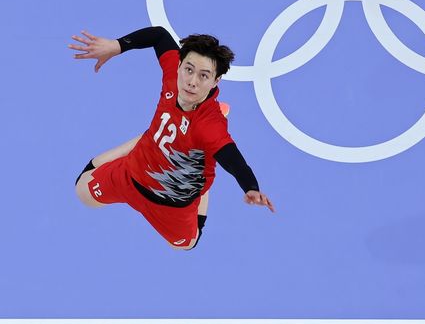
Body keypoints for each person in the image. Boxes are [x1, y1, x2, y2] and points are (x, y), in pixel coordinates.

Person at [69, 26, 275, 250]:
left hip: (172, 206)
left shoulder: (209, 127)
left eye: (204, 76)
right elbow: (159, 35)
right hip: (130, 175)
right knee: (82, 192)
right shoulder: (173, 76)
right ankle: (151, 137)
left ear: (215, 81)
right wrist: (116, 46)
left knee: (185, 245)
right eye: (189, 70)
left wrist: (250, 187)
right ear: (179, 66)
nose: (192, 81)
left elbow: (235, 162)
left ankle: (203, 171)